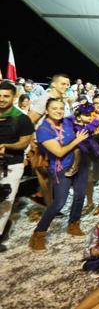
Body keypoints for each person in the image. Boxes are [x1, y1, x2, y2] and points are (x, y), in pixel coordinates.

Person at [29, 98, 90, 251]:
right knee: (59, 203)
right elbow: (59, 151)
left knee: (80, 195)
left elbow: (84, 116)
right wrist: (78, 140)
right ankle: (39, 233)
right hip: (60, 168)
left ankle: (73, 224)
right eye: (54, 108)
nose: (58, 111)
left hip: (80, 164)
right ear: (47, 111)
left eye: (61, 108)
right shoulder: (43, 130)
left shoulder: (67, 122)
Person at [0, 82, 35, 252]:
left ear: (13, 97)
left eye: (6, 96)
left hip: (12, 164)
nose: (1, 99)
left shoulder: (22, 118)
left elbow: (24, 142)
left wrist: (5, 146)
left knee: (5, 201)